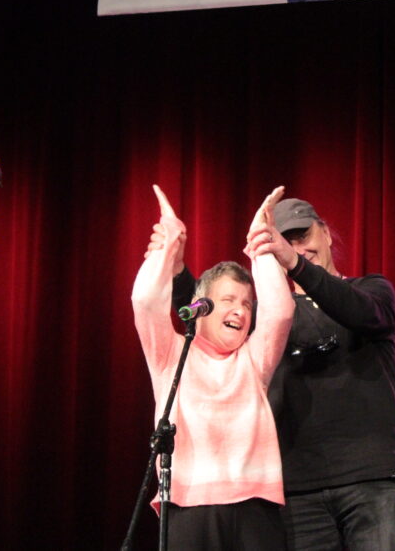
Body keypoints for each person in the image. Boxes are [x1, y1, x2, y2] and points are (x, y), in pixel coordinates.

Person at [162, 196, 395, 550]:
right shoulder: (270, 317)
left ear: (326, 233)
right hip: (298, 491)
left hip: (372, 479)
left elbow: (362, 313)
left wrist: (295, 264)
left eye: (303, 236)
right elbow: (214, 320)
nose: (296, 248)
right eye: (285, 242)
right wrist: (175, 270)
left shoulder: (371, 289)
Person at [133, 185, 294, 550]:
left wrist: (260, 245)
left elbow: (281, 312)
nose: (240, 310)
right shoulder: (172, 354)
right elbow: (145, 302)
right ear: (200, 306)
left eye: (247, 304)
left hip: (255, 505)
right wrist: (168, 244)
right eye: (228, 300)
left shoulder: (253, 359)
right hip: (189, 506)